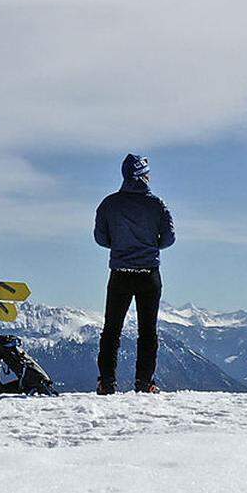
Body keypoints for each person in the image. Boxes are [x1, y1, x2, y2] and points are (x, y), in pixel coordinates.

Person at [93, 154, 175, 395]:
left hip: (120, 273)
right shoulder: (157, 205)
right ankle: (144, 382)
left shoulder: (109, 204)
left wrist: (120, 246)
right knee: (147, 331)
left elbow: (100, 238)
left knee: (111, 329)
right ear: (144, 175)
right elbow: (169, 238)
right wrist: (150, 246)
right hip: (149, 273)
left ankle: (107, 382)